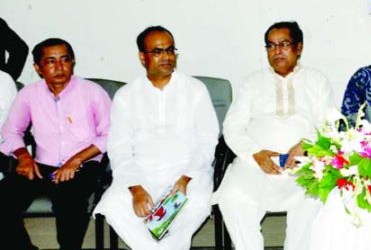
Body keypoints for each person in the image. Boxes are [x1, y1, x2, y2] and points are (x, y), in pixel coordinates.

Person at [214, 21, 336, 250]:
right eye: (270, 46)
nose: (277, 51)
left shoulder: (316, 80)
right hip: (257, 164)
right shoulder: (252, 82)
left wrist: (306, 145)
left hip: (304, 163)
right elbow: (232, 126)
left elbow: (329, 123)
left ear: (299, 47)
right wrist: (255, 154)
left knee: (313, 200)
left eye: (284, 44)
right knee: (232, 197)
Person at [94, 26, 219, 249]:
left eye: (170, 50)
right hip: (141, 172)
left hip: (188, 173)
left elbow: (208, 141)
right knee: (113, 205)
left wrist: (185, 178)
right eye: (158, 51)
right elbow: (119, 148)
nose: (167, 57)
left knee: (195, 204)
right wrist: (136, 188)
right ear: (142, 57)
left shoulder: (194, 89)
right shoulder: (127, 96)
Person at [0, 38, 111, 250]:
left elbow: (109, 134)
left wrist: (75, 160)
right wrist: (23, 155)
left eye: (64, 60)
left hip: (83, 164)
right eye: (51, 61)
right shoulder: (29, 94)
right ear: (38, 68)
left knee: (70, 203)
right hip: (42, 165)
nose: (59, 67)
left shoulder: (92, 92)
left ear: (73, 62)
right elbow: (11, 130)